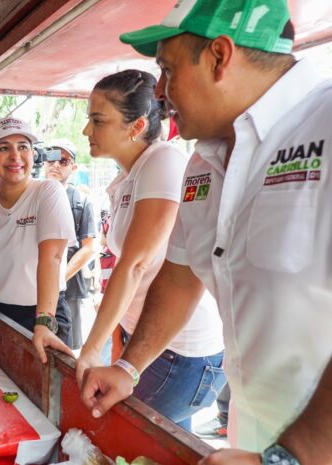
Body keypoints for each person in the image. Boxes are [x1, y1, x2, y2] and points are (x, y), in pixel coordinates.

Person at [80, 1, 332, 463]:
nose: (159, 92)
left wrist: (296, 455)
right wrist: (128, 366)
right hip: (257, 425)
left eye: (167, 69)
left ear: (219, 56)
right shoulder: (203, 162)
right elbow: (180, 273)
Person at [75, 69, 225, 431]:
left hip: (178, 351)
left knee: (115, 433)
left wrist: (90, 349)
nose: (86, 131)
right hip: (143, 341)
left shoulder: (163, 161)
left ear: (136, 126)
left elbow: (137, 263)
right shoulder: (127, 177)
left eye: (98, 120)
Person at [0, 117, 76, 363]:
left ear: (33, 154)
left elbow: (52, 257)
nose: (15, 156)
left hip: (40, 316)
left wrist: (44, 320)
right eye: (4, 148)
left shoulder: (48, 192)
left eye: (23, 147)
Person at [43, 139, 98, 351]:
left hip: (69, 287)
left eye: (63, 161)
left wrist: (59, 278)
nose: (55, 165)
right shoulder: (30, 194)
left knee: (65, 346)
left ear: (73, 167)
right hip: (33, 285)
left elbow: (88, 247)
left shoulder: (82, 202)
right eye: (51, 158)